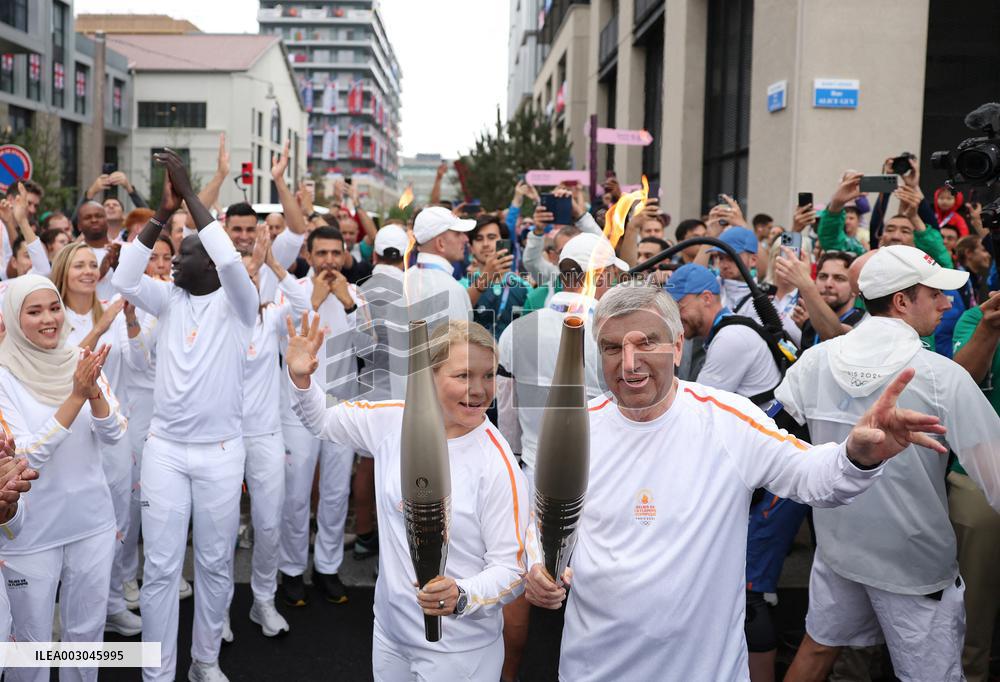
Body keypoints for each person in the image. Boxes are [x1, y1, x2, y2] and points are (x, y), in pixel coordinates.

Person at [524, 281, 951, 682]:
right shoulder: (576, 431)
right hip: (595, 667)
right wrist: (536, 570)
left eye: (646, 343)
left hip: (705, 669)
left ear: (676, 347)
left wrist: (857, 455)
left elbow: (813, 478)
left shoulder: (726, 419)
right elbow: (538, 524)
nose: (629, 363)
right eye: (613, 347)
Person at [777, 246, 1000, 682]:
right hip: (914, 565)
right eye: (935, 293)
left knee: (818, 649)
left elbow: (773, 435)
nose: (947, 302)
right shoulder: (940, 375)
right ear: (901, 301)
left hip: (839, 548)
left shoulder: (815, 360)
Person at [287, 317, 528, 682]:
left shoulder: (498, 463)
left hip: (457, 652)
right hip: (390, 632)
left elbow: (512, 570)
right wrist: (302, 379)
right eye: (463, 376)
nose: (479, 390)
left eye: (489, 375)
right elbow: (322, 420)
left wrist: (462, 594)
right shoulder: (392, 421)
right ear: (429, 376)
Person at [112, 149, 259, 682]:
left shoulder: (239, 301)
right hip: (166, 453)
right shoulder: (167, 297)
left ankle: (204, 662)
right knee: (161, 569)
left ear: (210, 265)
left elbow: (227, 256)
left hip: (222, 453)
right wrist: (160, 212)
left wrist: (193, 195)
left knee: (217, 566)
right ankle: (157, 672)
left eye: (185, 254)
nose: (172, 261)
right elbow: (126, 279)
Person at [0, 274, 126, 682]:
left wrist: (93, 393)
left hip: (92, 522)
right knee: (30, 645)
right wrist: (76, 397)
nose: (48, 319)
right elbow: (23, 456)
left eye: (53, 307)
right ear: (13, 319)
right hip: (31, 534)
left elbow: (115, 431)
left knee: (86, 635)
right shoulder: (3, 376)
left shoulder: (81, 358)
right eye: (33, 311)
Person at [50, 242, 147, 638]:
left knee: (117, 526)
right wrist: (101, 327)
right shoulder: (51, 313)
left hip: (112, 434)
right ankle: (63, 612)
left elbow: (139, 366)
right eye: (79, 266)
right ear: (63, 271)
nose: (88, 272)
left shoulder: (115, 309)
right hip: (69, 439)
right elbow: (61, 366)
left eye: (93, 264)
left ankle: (111, 605)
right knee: (69, 530)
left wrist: (131, 323)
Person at [278, 226, 368, 608]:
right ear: (309, 255)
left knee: (335, 491)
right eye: (322, 254)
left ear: (345, 255)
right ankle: (292, 569)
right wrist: (311, 302)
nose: (329, 261)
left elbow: (373, 346)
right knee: (296, 492)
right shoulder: (292, 290)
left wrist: (347, 302)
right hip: (297, 406)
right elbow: (281, 341)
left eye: (336, 253)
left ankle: (328, 567)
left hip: (341, 406)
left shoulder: (357, 295)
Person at [225, 232, 310, 639]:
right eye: (240, 275)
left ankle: (263, 600)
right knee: (220, 530)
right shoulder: (215, 318)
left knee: (268, 522)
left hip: (265, 434)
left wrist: (273, 266)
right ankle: (217, 608)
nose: (248, 281)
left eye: (252, 275)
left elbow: (305, 306)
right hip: (220, 437)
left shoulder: (273, 313)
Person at [948, 291, 1000, 682]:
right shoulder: (976, 319)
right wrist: (989, 328)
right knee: (975, 600)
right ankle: (971, 674)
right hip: (978, 475)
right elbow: (960, 383)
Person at [774, 250, 867, 351]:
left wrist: (805, 284)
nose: (828, 284)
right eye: (823, 276)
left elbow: (833, 334)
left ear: (855, 288)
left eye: (839, 278)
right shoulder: (809, 323)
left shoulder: (862, 323)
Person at [404, 206, 475, 330]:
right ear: (440, 243)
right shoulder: (451, 290)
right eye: (458, 234)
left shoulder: (404, 278)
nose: (466, 239)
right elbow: (459, 345)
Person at [461, 214, 530, 339]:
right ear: (471, 248)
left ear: (504, 243)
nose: (486, 244)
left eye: (491, 237)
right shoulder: (462, 286)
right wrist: (486, 276)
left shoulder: (523, 286)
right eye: (479, 239)